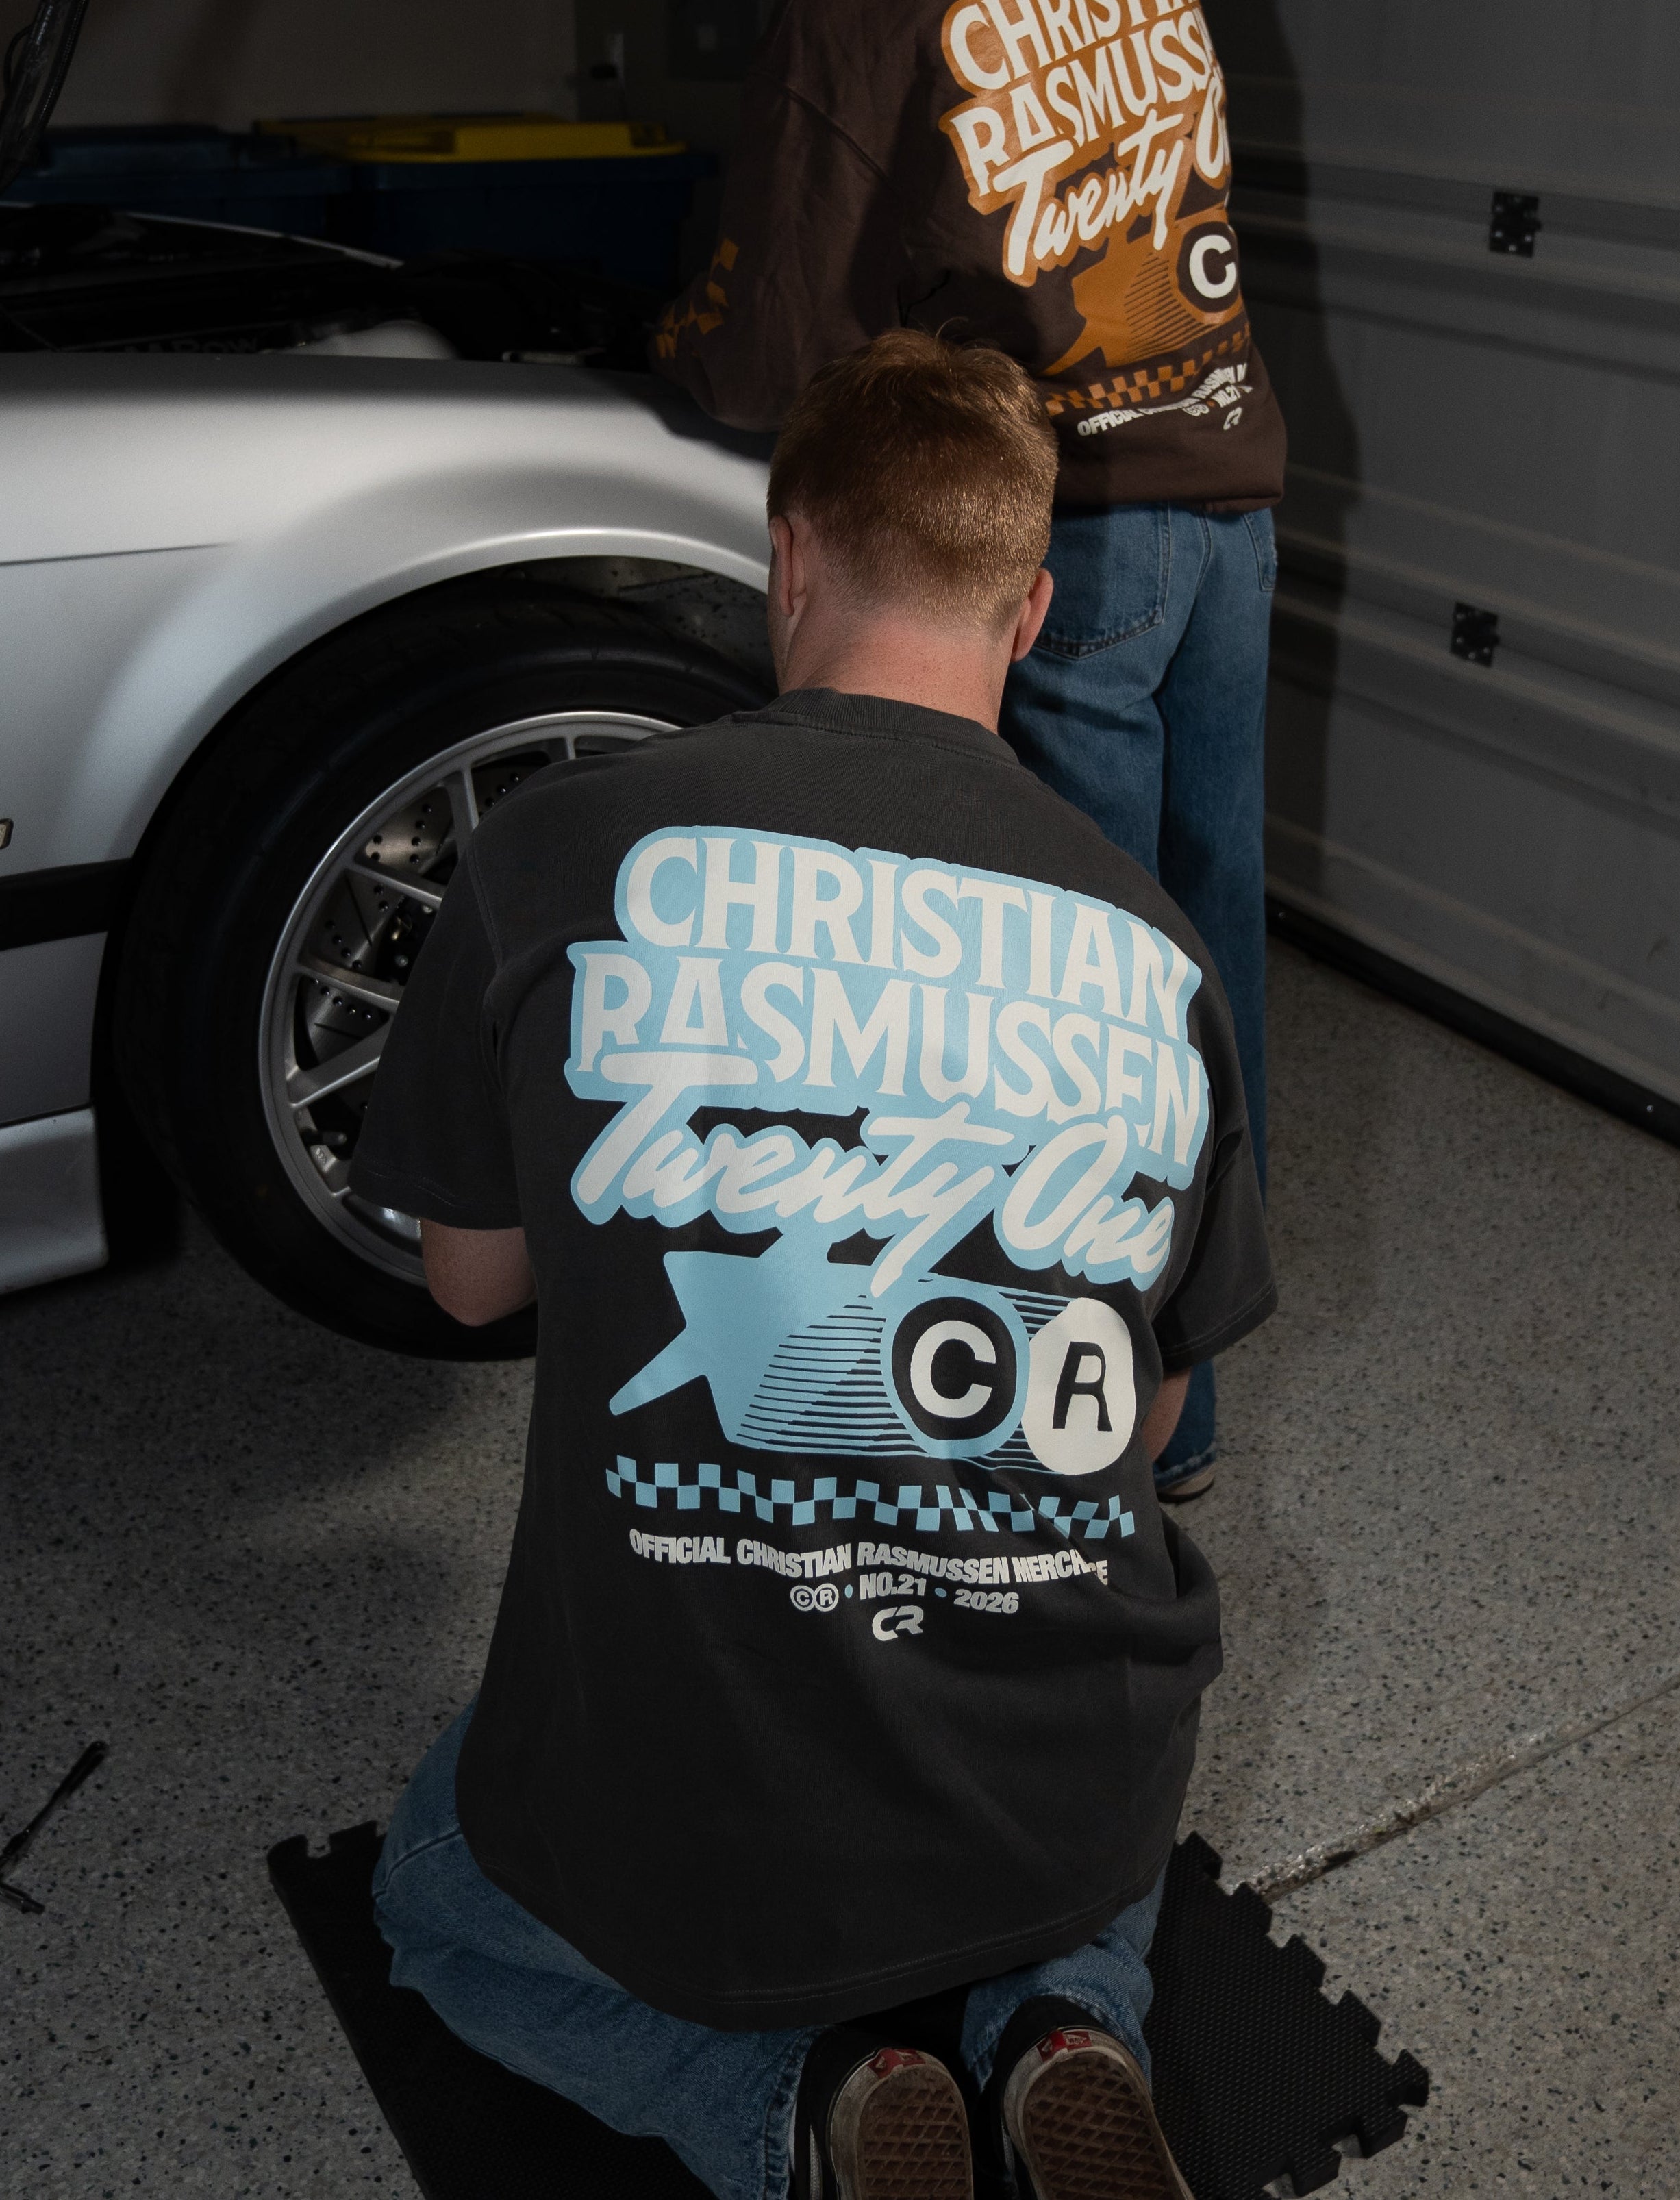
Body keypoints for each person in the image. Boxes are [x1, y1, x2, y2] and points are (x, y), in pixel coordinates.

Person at [351, 333, 1275, 2200]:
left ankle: (786, 2102)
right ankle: (1067, 2014)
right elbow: (1153, 1407)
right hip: (1054, 1789)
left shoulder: (553, 854)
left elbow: (467, 1285)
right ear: (1027, 608)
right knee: (1064, 1756)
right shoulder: (1156, 949)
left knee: (433, 1908)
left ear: (789, 553)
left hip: (705, 1816)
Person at [653, 0, 1285, 1505]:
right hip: (1227, 492)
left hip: (1070, 516)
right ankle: (1178, 1417)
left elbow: (780, 311)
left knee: (1056, 995)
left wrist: (670, 347)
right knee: (1199, 969)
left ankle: (1080, 1436)